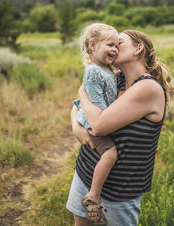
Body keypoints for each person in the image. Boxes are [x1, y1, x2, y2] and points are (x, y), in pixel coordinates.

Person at [67, 29, 174, 226]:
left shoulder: (148, 87)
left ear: (138, 48)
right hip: (85, 173)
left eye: (119, 43)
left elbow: (98, 126)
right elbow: (77, 110)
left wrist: (81, 94)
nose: (113, 48)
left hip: (119, 192)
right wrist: (76, 128)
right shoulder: (115, 79)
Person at [72, 23, 119, 225]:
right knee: (110, 154)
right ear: (92, 45)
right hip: (94, 122)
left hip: (99, 117)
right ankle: (93, 196)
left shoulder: (107, 69)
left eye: (117, 45)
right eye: (110, 45)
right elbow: (98, 107)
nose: (115, 50)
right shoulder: (92, 72)